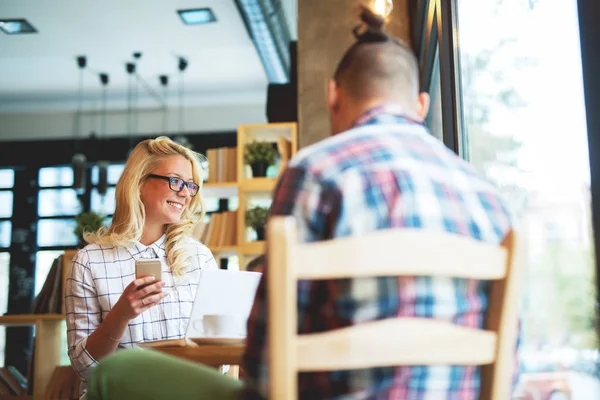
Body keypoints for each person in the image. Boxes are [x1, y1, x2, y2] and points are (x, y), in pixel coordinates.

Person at [86, 6, 513, 400]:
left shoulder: (316, 171)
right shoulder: (487, 195)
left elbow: (266, 361)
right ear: (422, 105)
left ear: (332, 95)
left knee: (120, 369)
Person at [64, 136, 218, 397]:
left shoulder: (199, 258)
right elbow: (85, 368)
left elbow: (217, 354)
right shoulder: (89, 262)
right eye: (175, 181)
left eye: (191, 185)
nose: (185, 193)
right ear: (139, 184)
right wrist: (121, 315)